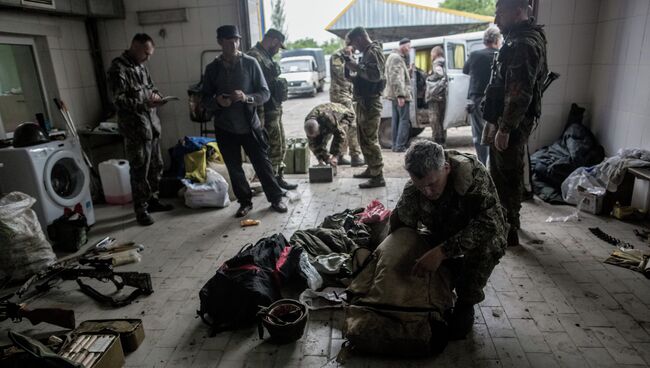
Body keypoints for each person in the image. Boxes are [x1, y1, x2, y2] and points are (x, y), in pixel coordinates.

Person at [390, 140, 508, 340]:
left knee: (489, 244)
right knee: (407, 239)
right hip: (443, 230)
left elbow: (490, 224)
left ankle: (465, 301)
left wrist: (441, 252)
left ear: (446, 168)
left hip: (478, 231)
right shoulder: (416, 187)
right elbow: (400, 226)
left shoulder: (473, 177)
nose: (427, 192)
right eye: (420, 186)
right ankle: (450, 270)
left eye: (432, 184)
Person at [201, 25, 288, 218]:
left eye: (236, 40)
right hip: (225, 127)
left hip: (250, 125)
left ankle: (276, 198)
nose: (234, 44)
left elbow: (265, 93)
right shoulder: (212, 69)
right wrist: (217, 101)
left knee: (262, 164)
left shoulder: (250, 63)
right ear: (219, 42)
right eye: (229, 40)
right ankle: (245, 202)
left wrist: (247, 97)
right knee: (234, 168)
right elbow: (204, 99)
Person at [483, 0, 548, 246]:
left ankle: (506, 230)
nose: (496, 20)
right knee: (505, 173)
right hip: (508, 119)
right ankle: (509, 223)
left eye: (501, 13)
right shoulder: (526, 37)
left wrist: (505, 128)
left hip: (511, 121)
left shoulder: (523, 43)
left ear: (518, 12)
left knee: (505, 176)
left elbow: (519, 92)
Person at [107, 33, 173, 226]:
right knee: (139, 170)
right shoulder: (118, 69)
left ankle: (152, 200)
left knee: (155, 166)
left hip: (151, 127)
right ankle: (141, 209)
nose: (148, 57)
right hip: (135, 130)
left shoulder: (141, 67)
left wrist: (158, 96)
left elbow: (151, 87)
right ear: (134, 47)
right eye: (146, 53)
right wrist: (145, 104)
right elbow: (118, 100)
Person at [246, 29, 297, 190]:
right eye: (278, 46)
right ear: (274, 41)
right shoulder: (254, 56)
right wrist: (259, 120)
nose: (278, 50)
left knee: (281, 146)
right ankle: (272, 185)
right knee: (271, 149)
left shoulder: (265, 55)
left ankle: (278, 178)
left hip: (275, 109)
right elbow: (254, 88)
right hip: (265, 112)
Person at [344, 27, 387, 189]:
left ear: (360, 38)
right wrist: (352, 76)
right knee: (363, 138)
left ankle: (378, 176)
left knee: (370, 139)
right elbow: (366, 77)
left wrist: (354, 65)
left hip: (371, 102)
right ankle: (371, 168)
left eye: (354, 43)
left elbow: (375, 76)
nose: (354, 47)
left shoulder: (373, 52)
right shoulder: (367, 53)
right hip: (364, 101)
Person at [463, 27, 502, 166]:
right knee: (495, 132)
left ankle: (482, 165)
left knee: (479, 135)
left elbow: (465, 70)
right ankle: (493, 165)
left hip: (476, 99)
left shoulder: (474, 55)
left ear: (485, 40)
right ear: (497, 40)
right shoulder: (501, 54)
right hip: (496, 100)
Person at [329, 46, 364, 167]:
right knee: (352, 122)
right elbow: (341, 74)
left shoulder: (350, 55)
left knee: (343, 124)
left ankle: (340, 155)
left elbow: (355, 73)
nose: (354, 49)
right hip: (339, 94)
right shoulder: (337, 56)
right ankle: (355, 155)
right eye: (353, 45)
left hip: (347, 93)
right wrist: (349, 61)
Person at [303, 102, 355, 167]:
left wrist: (335, 156)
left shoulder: (328, 119)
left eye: (316, 134)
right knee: (317, 140)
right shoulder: (309, 124)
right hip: (325, 120)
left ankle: (339, 158)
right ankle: (327, 159)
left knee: (341, 131)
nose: (315, 136)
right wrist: (321, 159)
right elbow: (312, 144)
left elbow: (340, 135)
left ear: (319, 126)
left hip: (346, 114)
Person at [384, 38, 413, 152]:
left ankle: (395, 145)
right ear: (404, 46)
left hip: (395, 94)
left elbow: (398, 75)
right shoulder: (396, 58)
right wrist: (401, 95)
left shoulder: (393, 57)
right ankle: (400, 146)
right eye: (409, 47)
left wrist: (408, 71)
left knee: (396, 120)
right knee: (404, 120)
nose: (409, 49)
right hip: (400, 94)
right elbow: (396, 78)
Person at [427, 46, 447, 145]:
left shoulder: (437, 63)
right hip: (442, 94)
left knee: (434, 119)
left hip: (435, 95)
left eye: (431, 54)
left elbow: (439, 74)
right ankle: (443, 140)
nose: (431, 56)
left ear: (436, 53)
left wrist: (429, 78)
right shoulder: (445, 62)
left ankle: (437, 141)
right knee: (442, 119)